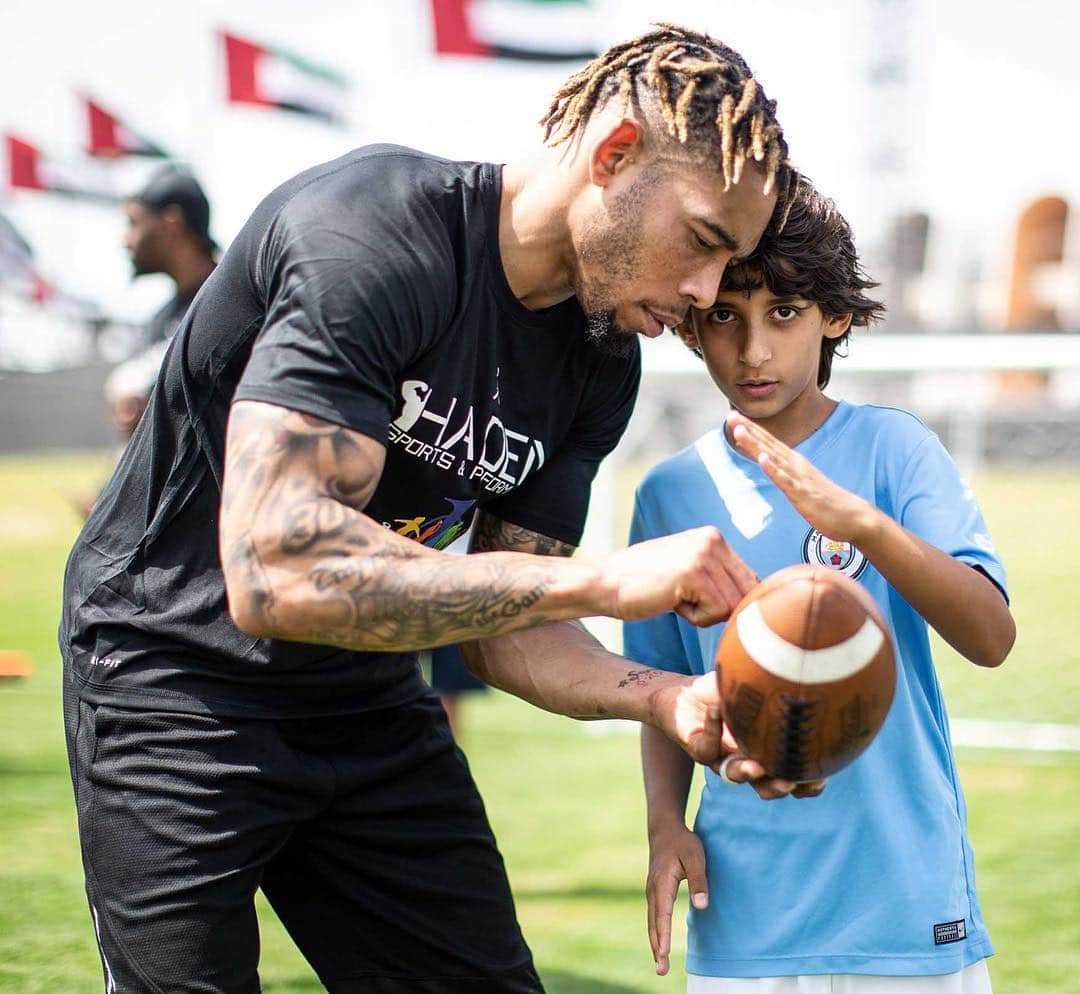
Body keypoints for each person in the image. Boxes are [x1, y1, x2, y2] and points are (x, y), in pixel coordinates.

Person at [60, 25, 819, 994]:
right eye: (705, 241)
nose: (705, 292)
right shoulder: (374, 232)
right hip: (175, 680)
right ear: (615, 153)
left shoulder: (598, 358)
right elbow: (275, 569)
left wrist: (672, 701)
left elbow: (508, 635)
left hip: (367, 699)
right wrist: (604, 580)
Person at [625, 179, 1016, 993]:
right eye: (726, 316)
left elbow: (990, 637)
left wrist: (864, 523)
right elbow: (660, 691)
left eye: (785, 313)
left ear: (835, 315)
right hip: (745, 906)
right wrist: (666, 823)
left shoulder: (892, 450)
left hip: (902, 899)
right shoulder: (669, 493)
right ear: (693, 325)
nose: (754, 350)